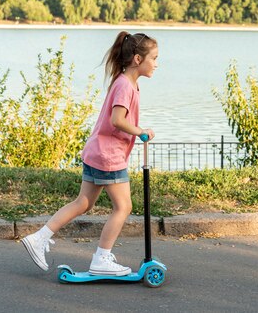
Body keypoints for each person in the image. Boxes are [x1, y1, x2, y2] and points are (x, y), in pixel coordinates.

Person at [22, 31, 158, 275]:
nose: (157, 64)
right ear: (138, 59)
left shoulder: (125, 82)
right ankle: (101, 259)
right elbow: (117, 119)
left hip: (98, 151)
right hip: (108, 156)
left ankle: (39, 237)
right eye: (154, 58)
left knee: (83, 202)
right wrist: (140, 131)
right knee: (124, 207)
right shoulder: (125, 86)